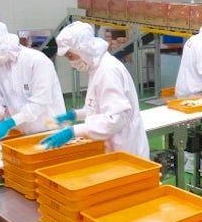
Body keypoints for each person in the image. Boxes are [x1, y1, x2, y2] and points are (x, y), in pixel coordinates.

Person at [41, 21, 149, 158]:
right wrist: (74, 115)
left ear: (82, 49)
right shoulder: (97, 68)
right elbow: (98, 109)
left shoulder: (107, 71)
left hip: (126, 151)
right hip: (114, 149)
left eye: (70, 56)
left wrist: (73, 132)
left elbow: (114, 120)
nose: (71, 62)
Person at [0, 21, 65, 140]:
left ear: (2, 45)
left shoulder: (37, 61)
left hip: (49, 130)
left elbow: (40, 103)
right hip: (21, 132)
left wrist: (9, 123)